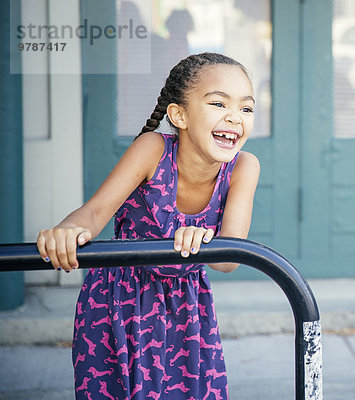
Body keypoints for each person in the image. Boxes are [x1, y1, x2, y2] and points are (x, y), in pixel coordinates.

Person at [36, 52, 260, 400]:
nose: (235, 117)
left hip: (188, 309)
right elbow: (94, 213)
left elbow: (229, 258)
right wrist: (66, 230)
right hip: (118, 303)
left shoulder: (244, 167)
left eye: (246, 108)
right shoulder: (152, 150)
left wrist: (209, 241)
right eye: (219, 103)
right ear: (179, 115)